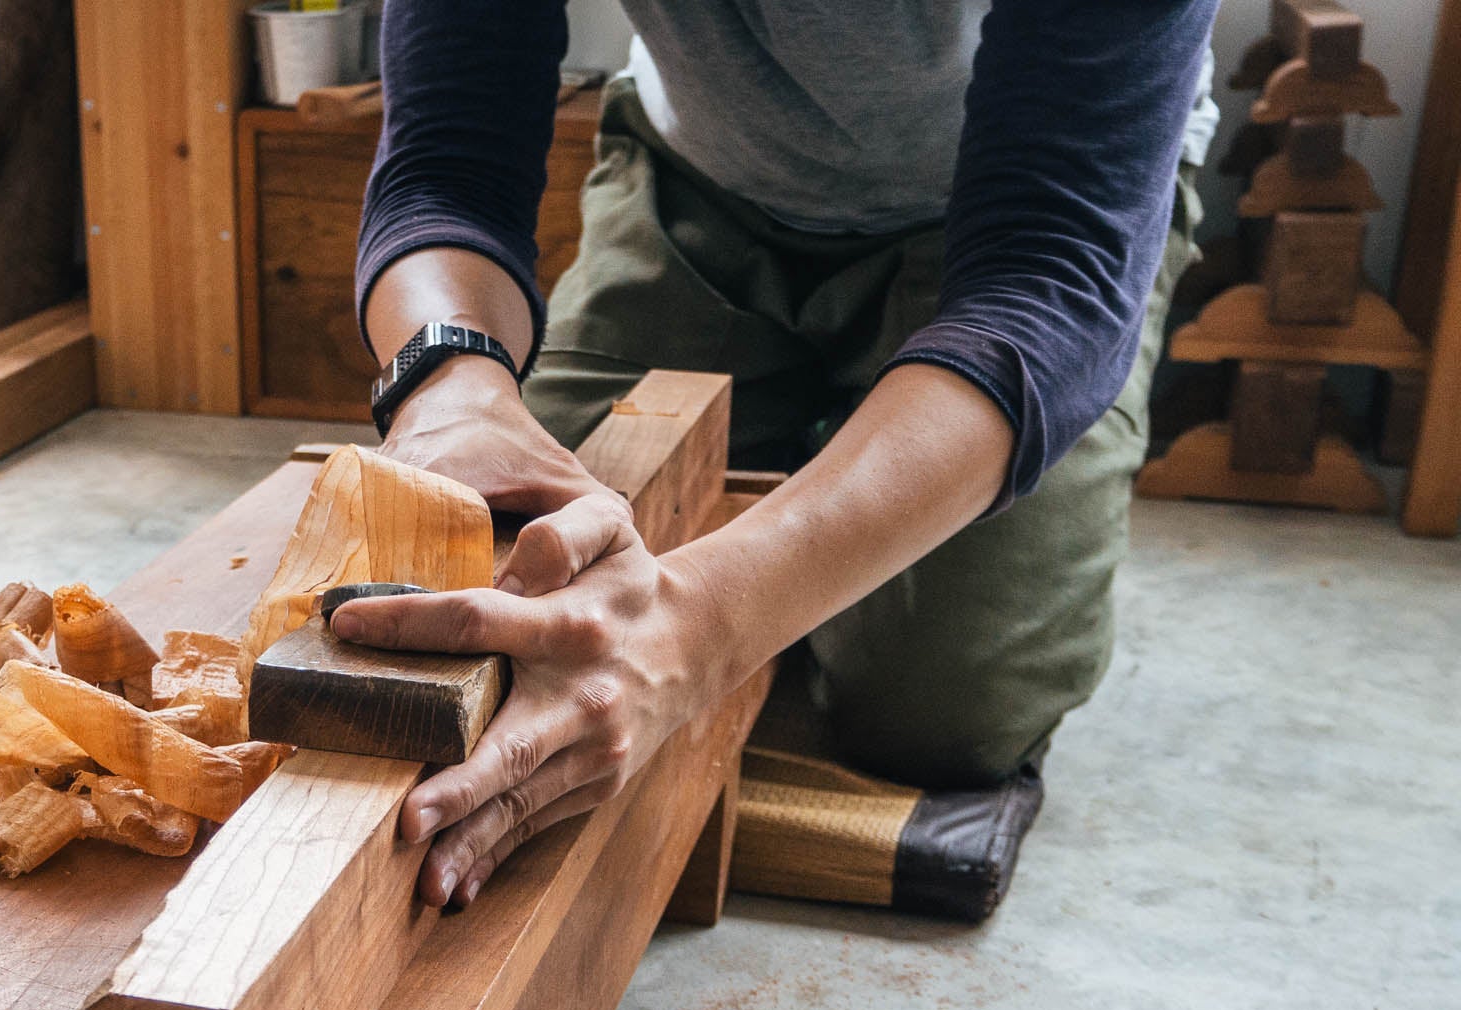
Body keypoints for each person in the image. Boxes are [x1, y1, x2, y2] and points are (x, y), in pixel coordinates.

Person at [328, 1, 1220, 911]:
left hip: (1020, 231)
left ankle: (832, 446)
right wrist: (450, 375)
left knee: (938, 713)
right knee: (517, 586)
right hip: (704, 183)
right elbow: (448, 162)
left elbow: (1049, 277)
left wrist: (698, 631)